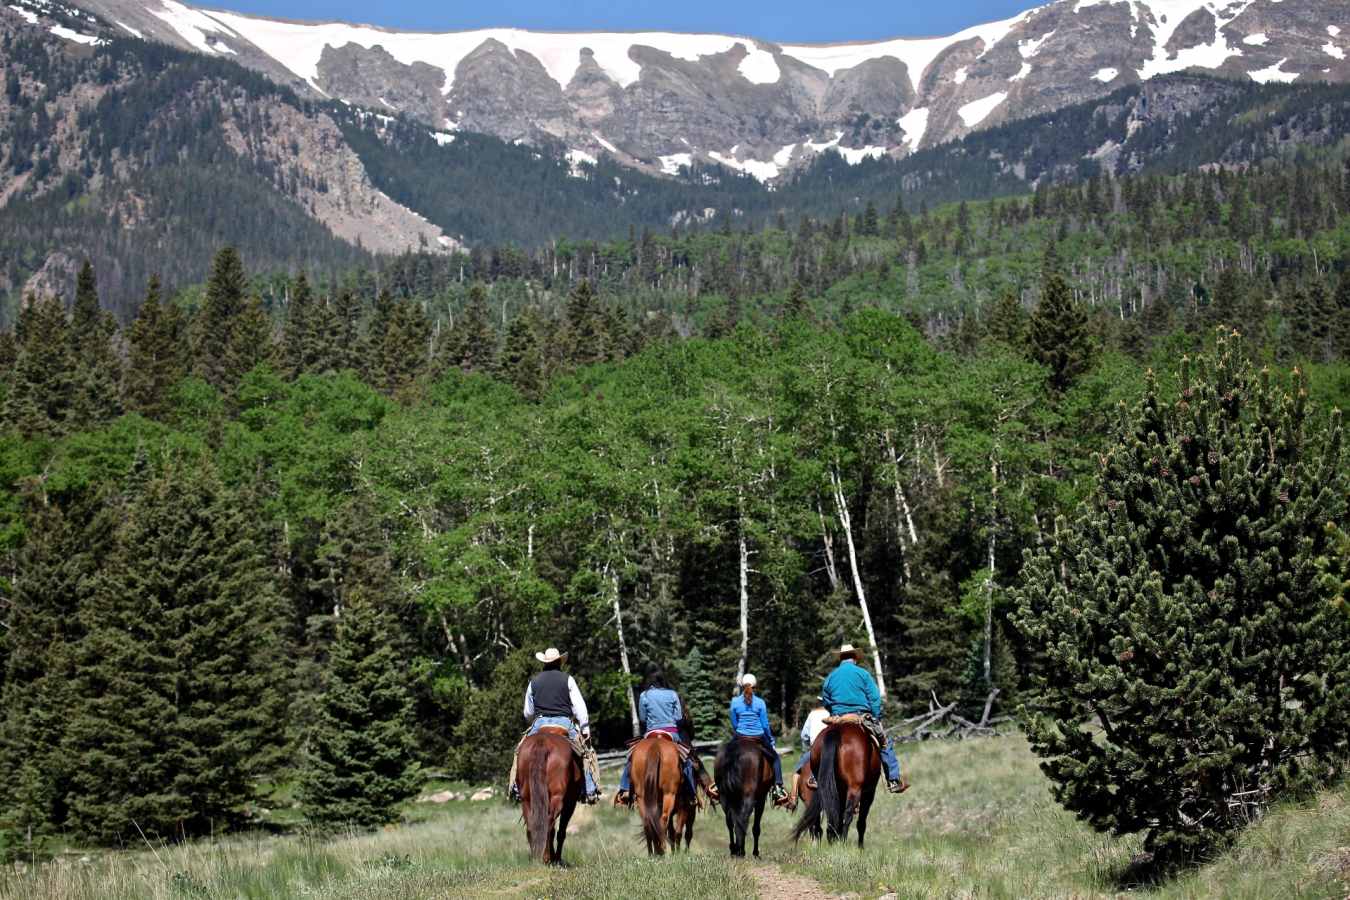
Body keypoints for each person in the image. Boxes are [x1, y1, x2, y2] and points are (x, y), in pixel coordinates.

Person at [508, 647, 601, 804]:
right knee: (586, 752)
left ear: (544, 662)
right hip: (564, 722)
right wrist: (585, 728)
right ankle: (589, 790)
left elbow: (527, 713)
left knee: (520, 751)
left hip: (540, 722)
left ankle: (516, 787)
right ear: (559, 662)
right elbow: (580, 709)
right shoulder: (568, 679)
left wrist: (535, 720)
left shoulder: (534, 682)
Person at [614, 669, 718, 806]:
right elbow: (679, 717)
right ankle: (691, 794)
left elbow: (643, 718)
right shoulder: (673, 694)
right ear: (664, 682)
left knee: (631, 758)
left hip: (650, 733)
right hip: (671, 733)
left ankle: (625, 789)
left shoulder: (644, 695)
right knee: (686, 760)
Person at [818, 643, 908, 794]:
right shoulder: (863, 674)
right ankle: (893, 779)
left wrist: (835, 711)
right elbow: (874, 698)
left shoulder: (830, 677)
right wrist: (876, 715)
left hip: (837, 718)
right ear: (854, 657)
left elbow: (826, 701)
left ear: (841, 658)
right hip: (859, 716)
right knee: (885, 742)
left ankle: (815, 776)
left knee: (819, 743)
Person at [729, 673, 787, 804]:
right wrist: (770, 739)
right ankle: (778, 787)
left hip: (740, 735)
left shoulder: (735, 702)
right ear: (755, 687)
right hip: (758, 736)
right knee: (775, 758)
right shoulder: (760, 702)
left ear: (742, 686)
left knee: (726, 755)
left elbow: (734, 722)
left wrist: (740, 730)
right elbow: (765, 725)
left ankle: (717, 784)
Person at [790, 698, 830, 801]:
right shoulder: (832, 713)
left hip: (815, 749)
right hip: (830, 748)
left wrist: (806, 747)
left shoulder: (812, 714)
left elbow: (804, 735)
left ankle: (793, 798)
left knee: (796, 770)